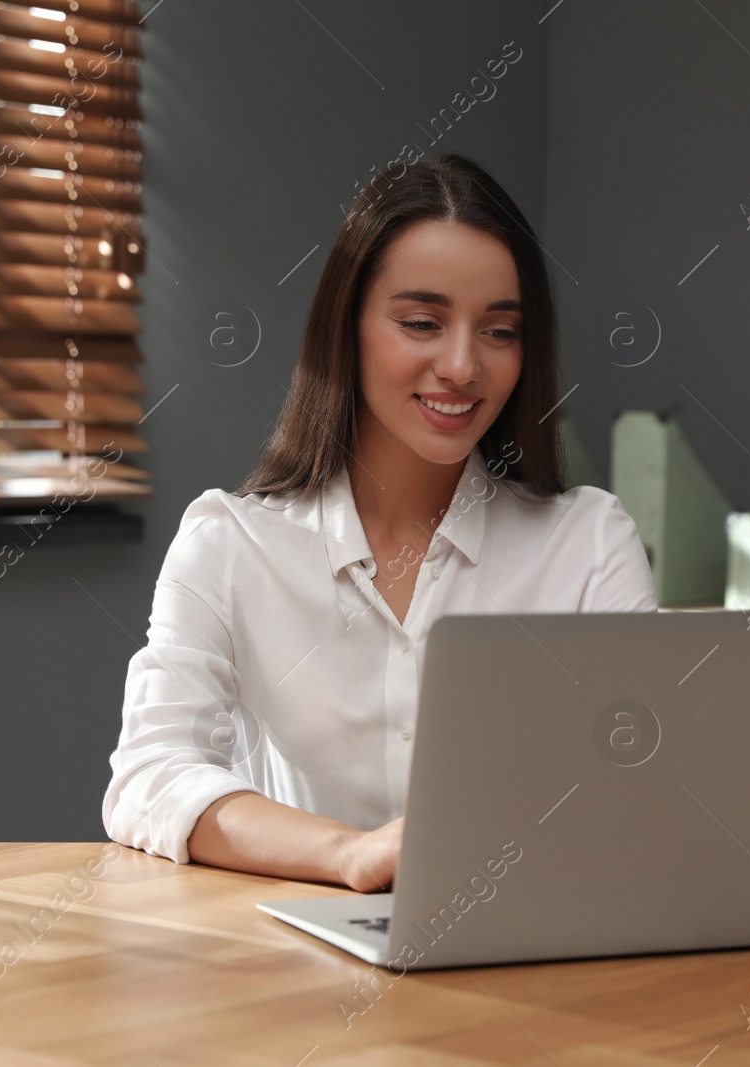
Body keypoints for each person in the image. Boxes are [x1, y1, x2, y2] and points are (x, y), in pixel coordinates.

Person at [101, 152, 657, 891]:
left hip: (529, 964)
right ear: (348, 326)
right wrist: (348, 855)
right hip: (295, 971)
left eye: (499, 331)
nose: (462, 365)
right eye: (421, 322)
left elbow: (642, 786)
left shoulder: (588, 543)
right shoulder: (229, 545)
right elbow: (149, 776)